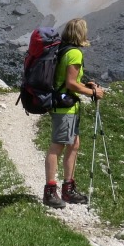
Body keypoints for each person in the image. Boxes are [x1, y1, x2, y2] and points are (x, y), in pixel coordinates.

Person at [43, 17, 104, 209]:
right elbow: (70, 83)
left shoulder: (63, 49)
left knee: (74, 144)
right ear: (80, 33)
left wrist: (85, 85)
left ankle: (68, 188)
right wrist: (93, 92)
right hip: (65, 107)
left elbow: (66, 79)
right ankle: (51, 191)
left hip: (64, 104)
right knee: (58, 146)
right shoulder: (75, 53)